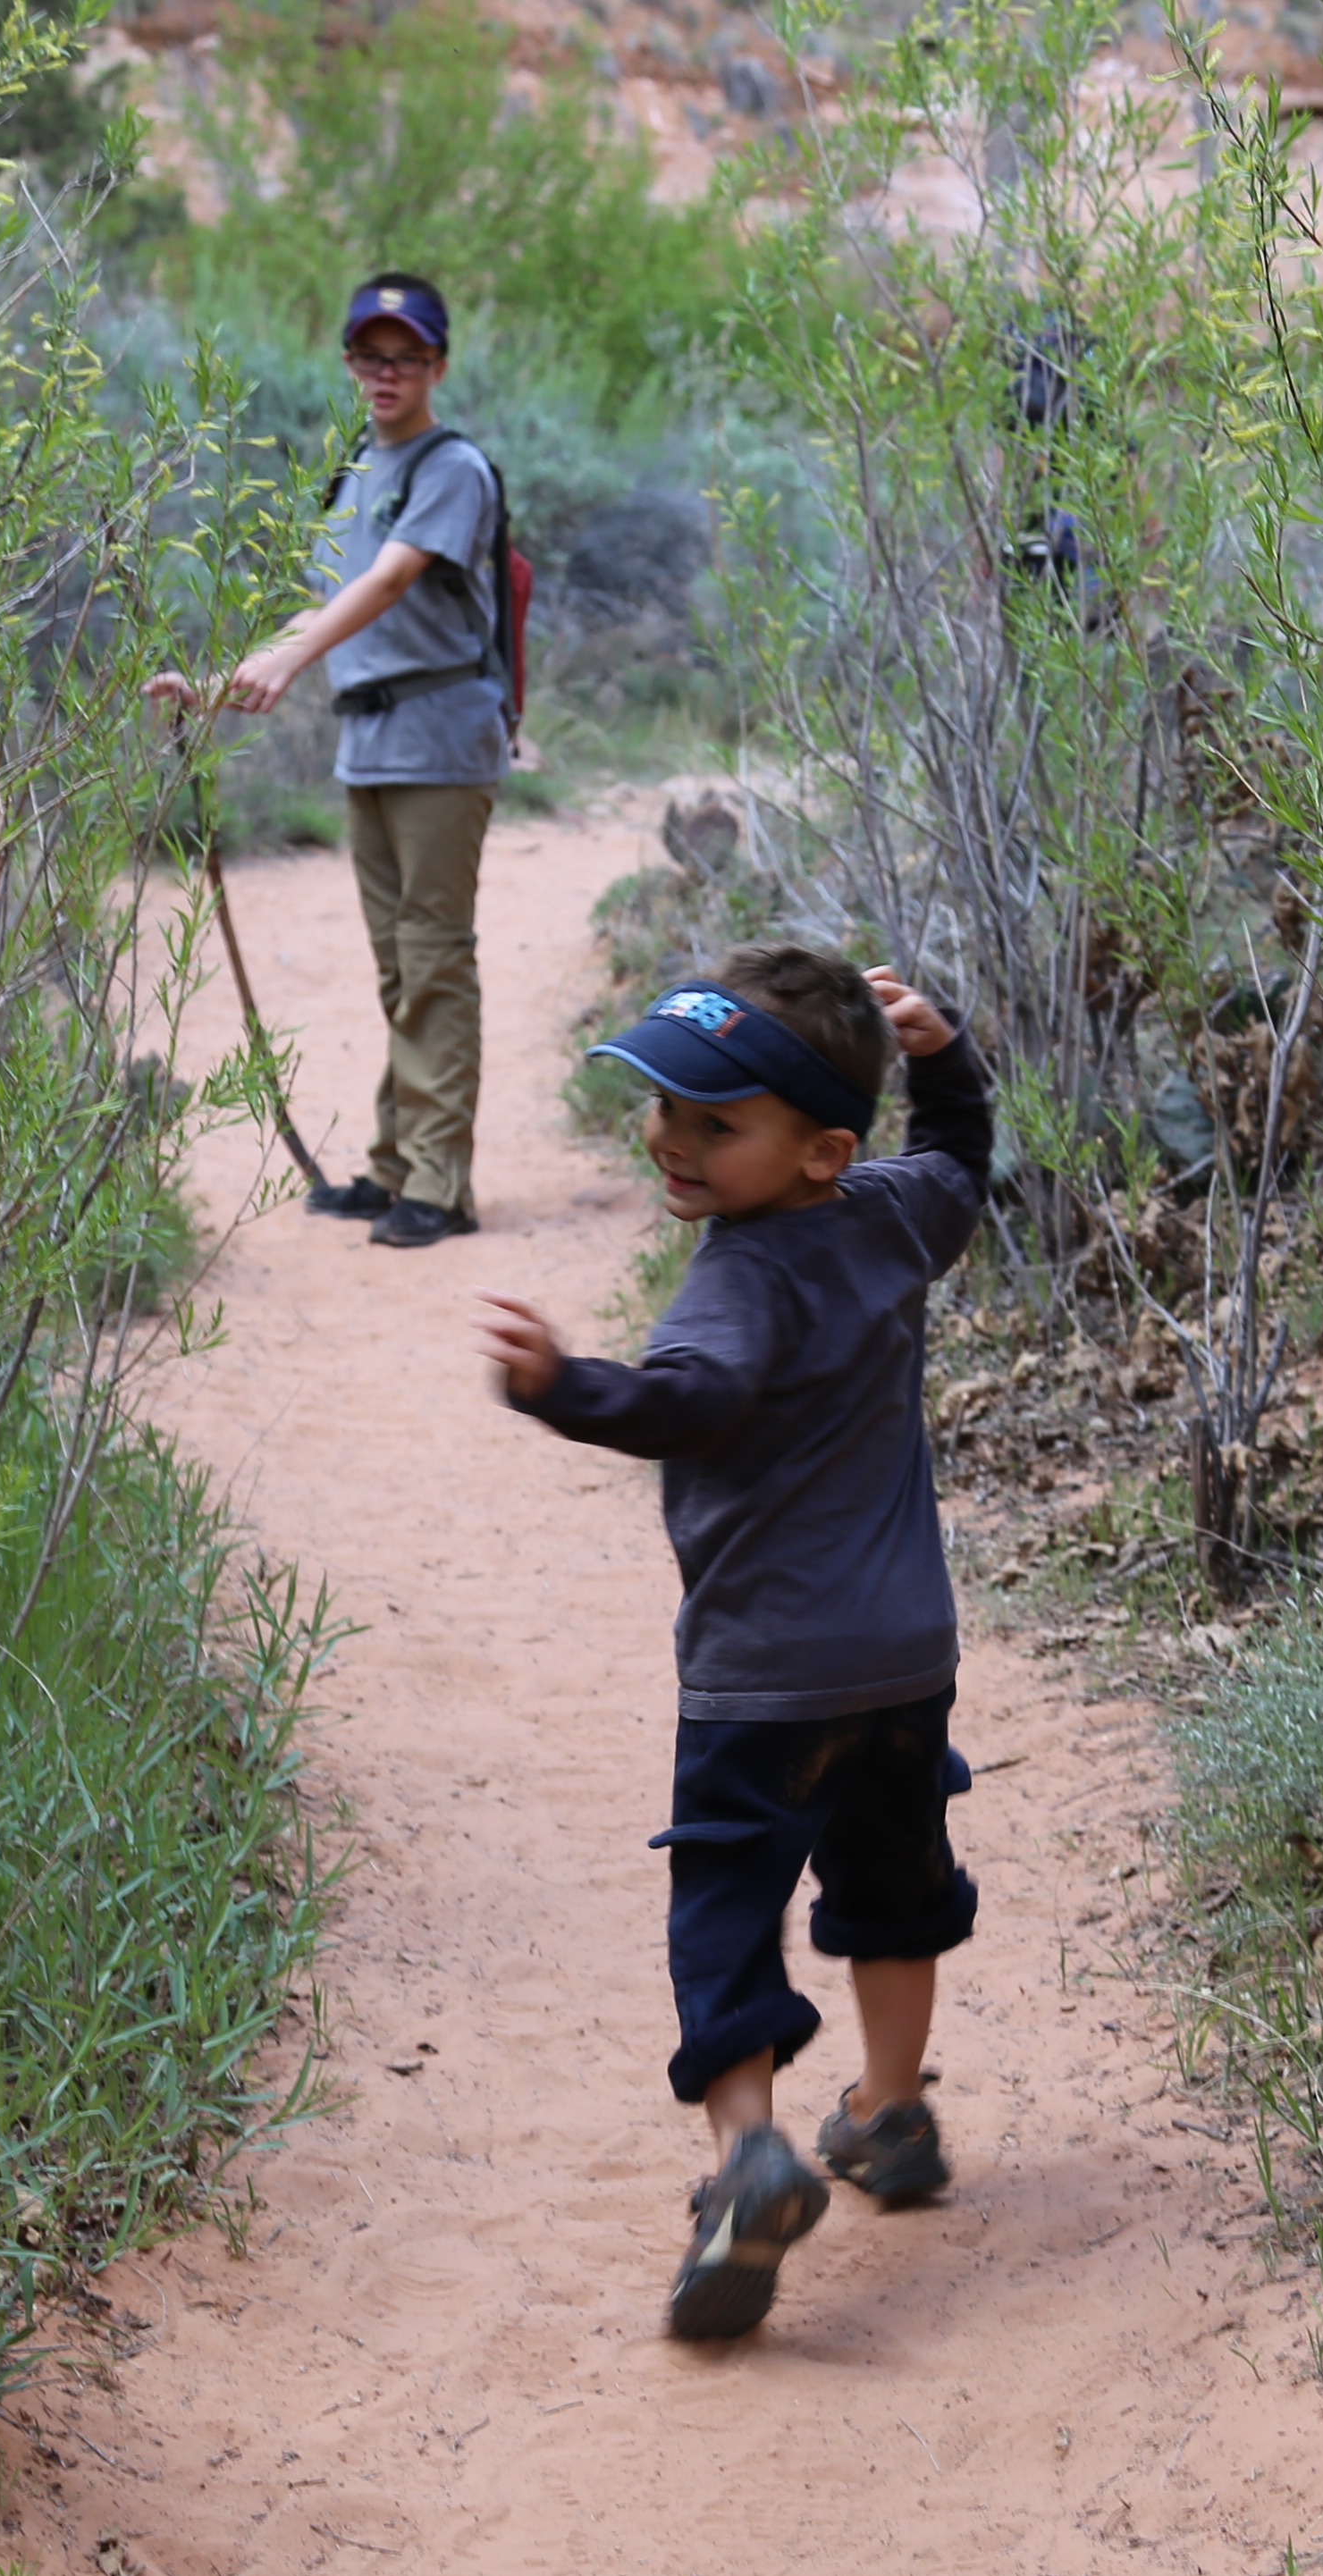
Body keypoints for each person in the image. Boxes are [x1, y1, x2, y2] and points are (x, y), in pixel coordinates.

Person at [472, 949, 995, 2342]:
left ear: (822, 1148)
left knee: (723, 1914)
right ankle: (891, 2114)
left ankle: (747, 2159)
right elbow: (960, 1156)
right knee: (894, 1883)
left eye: (717, 1123)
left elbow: (686, 1405)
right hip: (904, 1657)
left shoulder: (737, 1279)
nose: (672, 1141)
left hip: (763, 1679)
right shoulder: (892, 1217)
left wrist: (560, 1387)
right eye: (664, 1108)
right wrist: (941, 1057)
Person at [182, 271, 510, 1250]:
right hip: (371, 742)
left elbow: (388, 582)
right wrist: (225, 676)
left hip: (442, 739)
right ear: (350, 362)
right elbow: (326, 606)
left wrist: (293, 659)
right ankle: (396, 1165)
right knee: (398, 966)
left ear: (438, 366)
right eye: (371, 354)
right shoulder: (353, 471)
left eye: (407, 357)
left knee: (434, 960)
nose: (386, 373)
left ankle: (441, 1185)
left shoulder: (451, 469)